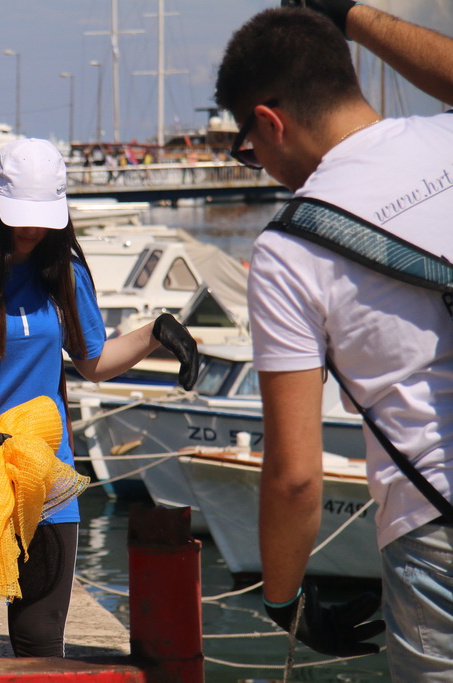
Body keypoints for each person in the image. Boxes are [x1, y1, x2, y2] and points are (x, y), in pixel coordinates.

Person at [215, 3, 453, 678]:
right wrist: (351, 14)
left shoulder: (290, 251)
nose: (256, 162)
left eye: (247, 147)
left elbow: (295, 475)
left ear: (269, 121)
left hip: (437, 530)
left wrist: (283, 597)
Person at [0, 138, 199, 658]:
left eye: (41, 215)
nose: (30, 227)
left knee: (40, 641)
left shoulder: (65, 274)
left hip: (47, 485)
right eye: (18, 214)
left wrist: (156, 333)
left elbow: (93, 362)